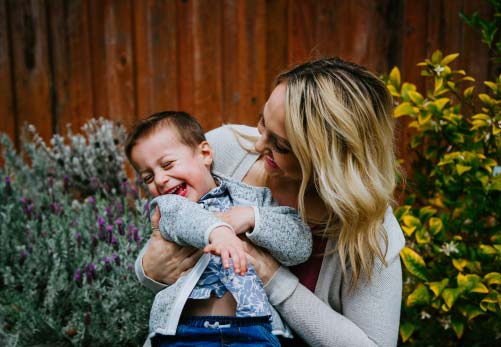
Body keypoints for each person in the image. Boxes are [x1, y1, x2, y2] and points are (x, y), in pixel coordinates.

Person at [136, 58, 406, 347]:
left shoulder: (372, 233)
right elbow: (167, 234)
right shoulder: (226, 150)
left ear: (330, 162)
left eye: (281, 146)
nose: (258, 144)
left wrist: (275, 280)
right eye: (262, 121)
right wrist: (149, 269)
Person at [125, 111, 312, 346]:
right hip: (187, 333)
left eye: (168, 164)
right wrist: (218, 231)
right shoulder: (169, 208)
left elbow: (299, 245)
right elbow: (185, 218)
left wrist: (253, 218)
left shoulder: (253, 200)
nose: (161, 179)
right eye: (148, 177)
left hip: (255, 328)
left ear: (205, 154)